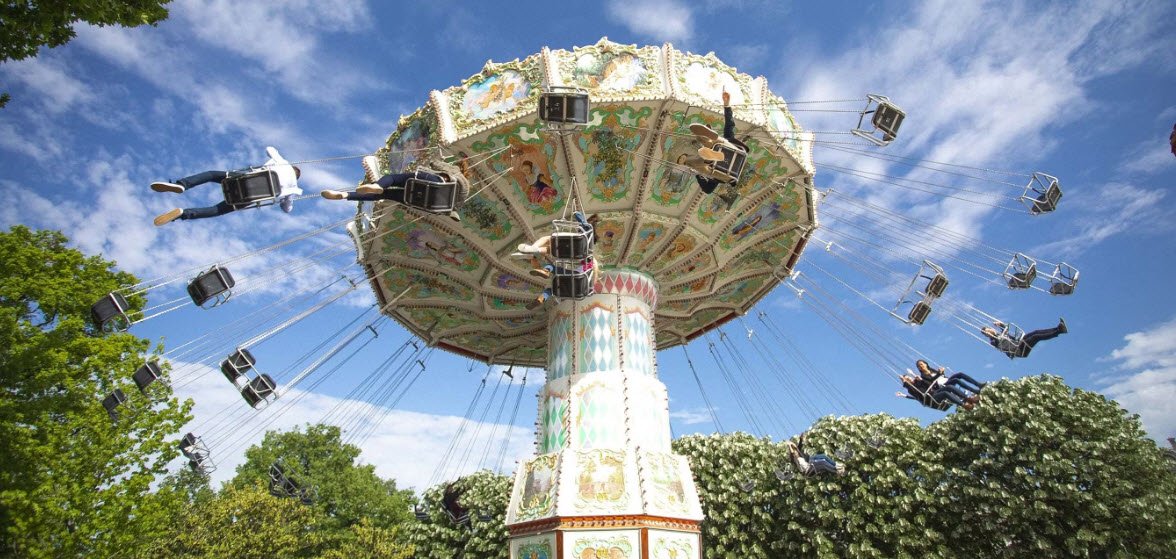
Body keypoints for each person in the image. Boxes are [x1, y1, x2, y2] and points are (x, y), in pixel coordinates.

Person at [152, 146, 302, 226]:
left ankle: (182, 185)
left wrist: (278, 158)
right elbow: (287, 209)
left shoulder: (282, 163)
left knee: (211, 175)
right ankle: (183, 214)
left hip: (242, 179)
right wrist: (287, 198)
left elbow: (269, 149)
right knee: (217, 210)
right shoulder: (294, 188)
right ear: (296, 177)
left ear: (292, 167)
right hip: (248, 197)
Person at [320, 155, 466, 222]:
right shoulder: (464, 190)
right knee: (387, 195)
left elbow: (436, 164)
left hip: (433, 182)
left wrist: (437, 160)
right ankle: (347, 195)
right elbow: (455, 209)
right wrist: (452, 214)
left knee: (394, 179)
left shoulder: (456, 172)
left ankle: (372, 187)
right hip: (424, 202)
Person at [681, 89, 747, 199]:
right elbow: (707, 190)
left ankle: (706, 141)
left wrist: (727, 105)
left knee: (705, 161)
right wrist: (698, 176)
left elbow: (729, 125)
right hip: (728, 171)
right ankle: (709, 141)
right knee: (705, 165)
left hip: (726, 160)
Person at [515, 211, 599, 264]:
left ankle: (533, 249)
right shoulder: (591, 242)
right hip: (573, 256)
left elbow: (576, 214)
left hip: (571, 248)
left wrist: (579, 215)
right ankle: (533, 254)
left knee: (548, 238)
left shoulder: (588, 228)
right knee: (549, 249)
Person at [981, 318, 1067, 359]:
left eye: (990, 328)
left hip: (1019, 343)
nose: (991, 330)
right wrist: (990, 334)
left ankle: (1058, 328)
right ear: (988, 334)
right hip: (1019, 350)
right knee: (1036, 337)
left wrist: (1000, 324)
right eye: (988, 331)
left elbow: (1005, 327)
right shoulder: (993, 341)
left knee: (1035, 332)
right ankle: (1059, 331)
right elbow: (996, 341)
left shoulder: (999, 333)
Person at [914, 359, 985, 395]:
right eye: (919, 366)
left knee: (960, 374)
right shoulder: (923, 376)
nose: (921, 366)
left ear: (926, 364)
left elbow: (941, 375)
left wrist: (942, 371)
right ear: (919, 368)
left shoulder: (931, 369)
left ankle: (978, 384)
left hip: (946, 380)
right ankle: (974, 391)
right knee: (956, 380)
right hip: (942, 385)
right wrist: (939, 373)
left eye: (921, 364)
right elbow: (932, 380)